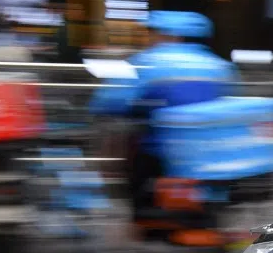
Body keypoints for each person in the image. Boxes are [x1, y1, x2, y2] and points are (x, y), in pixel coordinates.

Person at [90, 11, 239, 225]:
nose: (148, 39)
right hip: (214, 155)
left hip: (161, 154)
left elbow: (108, 102)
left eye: (152, 33)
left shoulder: (145, 62)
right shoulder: (222, 68)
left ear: (172, 36)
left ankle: (141, 216)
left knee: (128, 146)